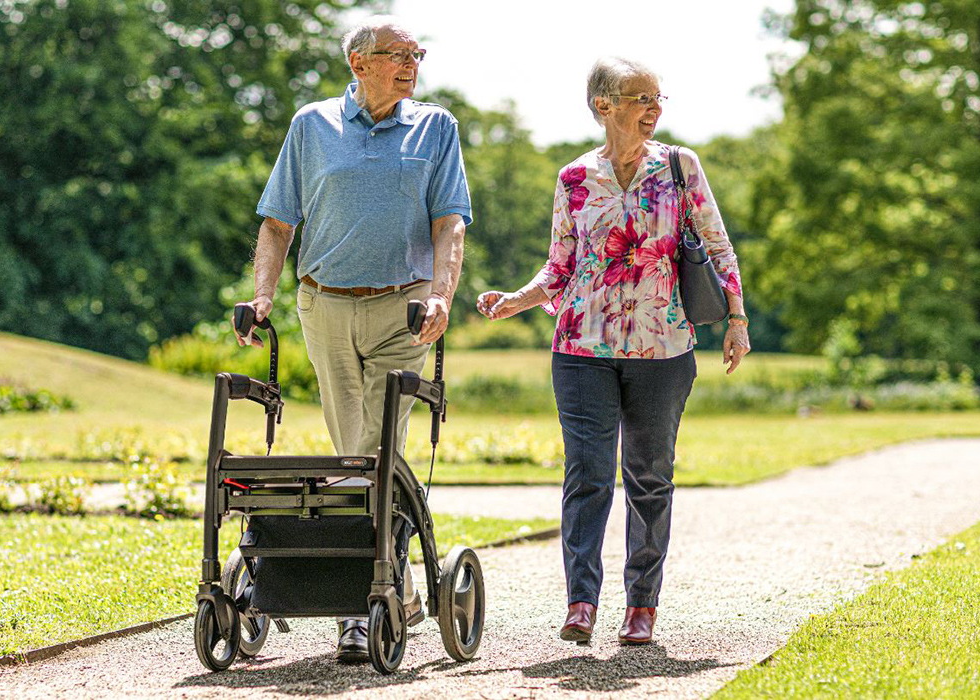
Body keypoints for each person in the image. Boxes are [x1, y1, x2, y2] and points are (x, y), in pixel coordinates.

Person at [476, 57, 749, 646]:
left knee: (649, 477)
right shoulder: (574, 176)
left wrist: (737, 317)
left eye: (657, 98)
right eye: (639, 98)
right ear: (604, 105)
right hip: (580, 346)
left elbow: (716, 244)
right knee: (588, 475)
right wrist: (516, 299)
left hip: (664, 347)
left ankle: (641, 606)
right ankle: (581, 602)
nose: (653, 108)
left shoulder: (680, 166)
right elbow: (560, 263)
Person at [237, 16, 472, 663]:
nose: (411, 65)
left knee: (371, 453)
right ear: (357, 62)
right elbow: (278, 223)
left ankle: (358, 608)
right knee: (352, 454)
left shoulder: (436, 128)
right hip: (325, 307)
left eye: (417, 55)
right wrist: (264, 297)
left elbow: (450, 224)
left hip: (403, 310)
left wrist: (444, 294)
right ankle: (392, 582)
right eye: (397, 55)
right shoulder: (311, 126)